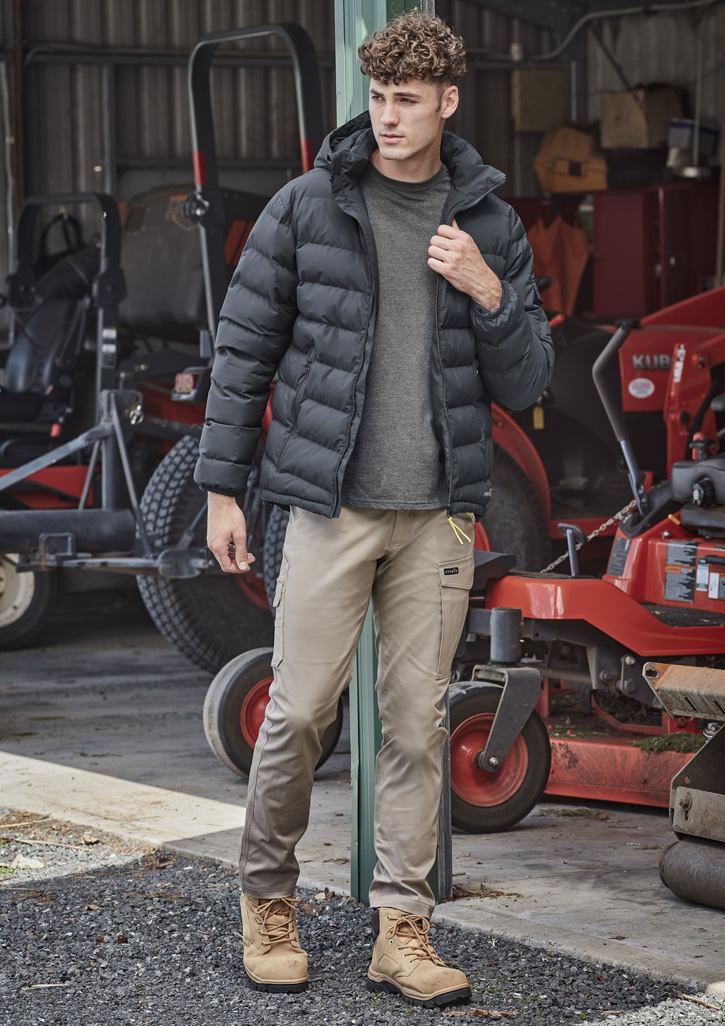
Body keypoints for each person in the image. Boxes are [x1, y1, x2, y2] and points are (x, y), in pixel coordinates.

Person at [194, 11, 553, 1010]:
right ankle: (267, 902)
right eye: (378, 98)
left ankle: (402, 930)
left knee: (414, 727)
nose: (388, 117)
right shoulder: (308, 206)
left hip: (436, 518)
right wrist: (221, 489)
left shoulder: (488, 226)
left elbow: (529, 379)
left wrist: (487, 291)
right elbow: (241, 353)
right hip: (329, 510)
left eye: (408, 100)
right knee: (299, 713)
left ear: (446, 102)